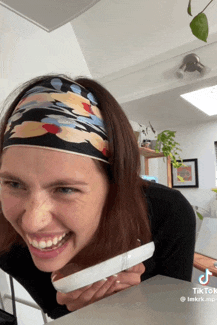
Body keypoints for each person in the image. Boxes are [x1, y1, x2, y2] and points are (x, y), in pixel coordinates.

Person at [0, 75, 196, 320]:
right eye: (14, 184)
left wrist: (136, 304)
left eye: (65, 189)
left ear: (114, 185)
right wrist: (76, 309)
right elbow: (56, 309)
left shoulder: (167, 212)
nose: (31, 223)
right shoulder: (7, 237)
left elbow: (178, 313)